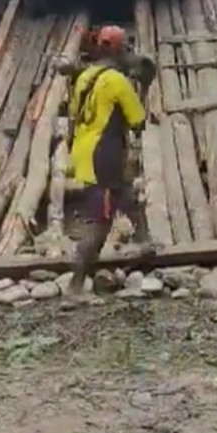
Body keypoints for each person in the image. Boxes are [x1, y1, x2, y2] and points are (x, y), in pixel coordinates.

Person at [64, 25, 153, 292]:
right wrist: (145, 87)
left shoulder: (85, 77)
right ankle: (75, 285)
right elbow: (138, 120)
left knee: (125, 195)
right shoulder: (116, 80)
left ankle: (145, 242)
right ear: (117, 49)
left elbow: (74, 115)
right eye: (125, 47)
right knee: (101, 222)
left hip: (84, 152)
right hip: (103, 156)